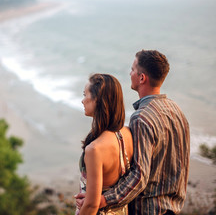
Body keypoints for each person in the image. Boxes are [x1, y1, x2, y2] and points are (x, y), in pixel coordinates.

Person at [75, 50, 190, 214]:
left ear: (142, 78)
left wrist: (103, 199)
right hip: (173, 208)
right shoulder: (176, 110)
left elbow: (139, 176)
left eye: (132, 70)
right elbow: (182, 164)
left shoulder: (141, 118)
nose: (129, 73)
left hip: (149, 209)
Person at [76, 73, 133, 215]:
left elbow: (91, 205)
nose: (82, 101)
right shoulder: (126, 133)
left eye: (85, 95)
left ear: (98, 100)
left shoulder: (95, 149)